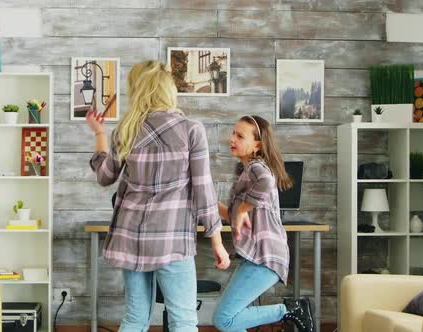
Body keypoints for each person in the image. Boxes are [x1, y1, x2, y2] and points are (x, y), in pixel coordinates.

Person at [86, 60, 230, 332]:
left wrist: (99, 134)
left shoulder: (126, 130)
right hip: (171, 241)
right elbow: (203, 189)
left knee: (135, 318)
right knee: (183, 320)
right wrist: (217, 240)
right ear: (168, 88)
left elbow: (105, 176)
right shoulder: (191, 130)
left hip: (131, 240)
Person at [212, 115, 315, 332]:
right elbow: (235, 217)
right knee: (230, 320)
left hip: (265, 256)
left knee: (224, 319)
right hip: (257, 257)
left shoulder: (256, 167)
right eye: (233, 133)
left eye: (240, 136)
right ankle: (291, 309)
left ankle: (290, 310)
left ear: (257, 144)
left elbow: (267, 183)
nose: (232, 139)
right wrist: (209, 201)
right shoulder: (246, 171)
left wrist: (241, 209)